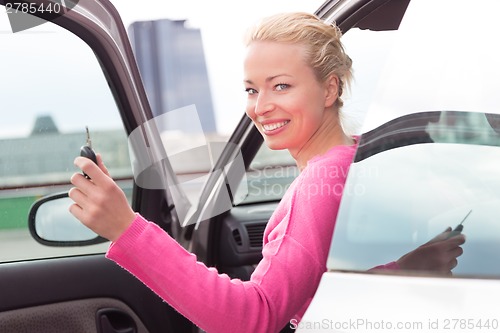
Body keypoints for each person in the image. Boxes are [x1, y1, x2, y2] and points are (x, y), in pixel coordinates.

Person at [69, 12, 464, 333]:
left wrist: (126, 228)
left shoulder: (318, 185)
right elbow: (345, 279)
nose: (260, 107)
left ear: (329, 90)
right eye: (252, 90)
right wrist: (404, 268)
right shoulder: (365, 160)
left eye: (281, 86)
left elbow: (252, 318)